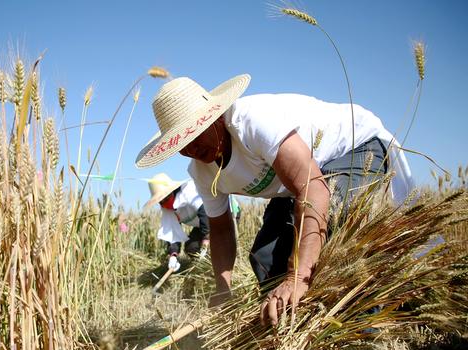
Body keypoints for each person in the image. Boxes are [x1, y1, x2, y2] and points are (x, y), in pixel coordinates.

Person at [135, 74, 414, 325]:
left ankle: (363, 335)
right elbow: (220, 228)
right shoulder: (202, 171)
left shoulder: (253, 123)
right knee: (267, 259)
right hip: (297, 183)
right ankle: (296, 333)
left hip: (353, 147)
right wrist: (223, 289)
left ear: (216, 117)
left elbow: (314, 189)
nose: (191, 148)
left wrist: (297, 277)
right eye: (180, 144)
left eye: (195, 135)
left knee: (338, 227)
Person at [144, 173, 210, 272]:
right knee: (192, 248)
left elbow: (205, 213)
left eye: (165, 198)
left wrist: (206, 240)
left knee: (216, 246)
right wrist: (173, 255)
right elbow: (172, 232)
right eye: (160, 200)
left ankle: (217, 269)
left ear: (171, 191)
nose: (163, 202)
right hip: (200, 224)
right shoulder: (168, 209)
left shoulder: (189, 192)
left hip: (221, 216)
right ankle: (203, 270)